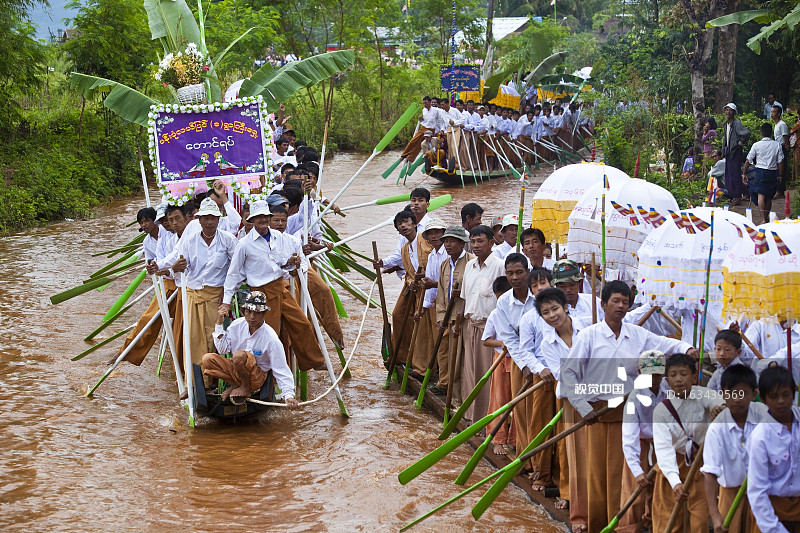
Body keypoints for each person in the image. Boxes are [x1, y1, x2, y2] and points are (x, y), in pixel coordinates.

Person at [562, 281, 698, 533]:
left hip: (627, 411)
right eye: (616, 301)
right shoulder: (589, 335)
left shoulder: (637, 335)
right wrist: (583, 407)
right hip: (596, 412)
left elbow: (666, 344)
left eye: (626, 302)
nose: (621, 306)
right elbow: (569, 373)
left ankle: (623, 524)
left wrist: (687, 348)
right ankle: (596, 523)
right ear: (603, 304)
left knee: (621, 475)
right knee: (595, 474)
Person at [220, 201, 325, 371]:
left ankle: (314, 361)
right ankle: (265, 375)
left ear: (269, 218)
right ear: (252, 220)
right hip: (261, 295)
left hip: (280, 288)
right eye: (258, 217)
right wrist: (226, 300)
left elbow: (283, 263)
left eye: (265, 216)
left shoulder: (279, 237)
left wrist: (292, 263)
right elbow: (233, 274)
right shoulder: (245, 243)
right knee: (270, 335)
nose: (262, 220)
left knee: (302, 324)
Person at [162, 198, 238, 386]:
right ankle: (196, 384)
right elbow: (178, 266)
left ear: (219, 220)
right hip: (193, 295)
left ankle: (217, 381)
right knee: (194, 341)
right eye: (206, 218)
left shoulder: (228, 240)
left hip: (216, 296)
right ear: (199, 220)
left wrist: (227, 298)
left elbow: (235, 270)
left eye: (213, 218)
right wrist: (174, 268)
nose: (210, 222)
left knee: (215, 339)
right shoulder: (189, 241)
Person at [534, 287, 594, 517]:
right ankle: (572, 496)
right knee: (572, 450)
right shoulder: (547, 344)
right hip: (572, 399)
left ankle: (597, 498)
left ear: (566, 308)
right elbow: (563, 374)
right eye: (546, 312)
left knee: (595, 450)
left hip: (599, 394)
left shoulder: (589, 326)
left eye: (555, 309)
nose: (552, 315)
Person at [651, 353, 725, 533]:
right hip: (673, 466)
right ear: (667, 380)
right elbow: (663, 449)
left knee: (699, 520)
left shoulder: (705, 395)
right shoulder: (662, 410)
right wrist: (675, 482)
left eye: (683, 374)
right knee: (669, 520)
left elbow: (720, 404)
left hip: (701, 466)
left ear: (694, 376)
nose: (679, 380)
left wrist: (719, 410)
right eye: (673, 375)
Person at [201, 291, 299, 406]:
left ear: (264, 313)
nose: (252, 317)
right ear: (244, 312)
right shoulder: (236, 325)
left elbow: (281, 369)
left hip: (256, 377)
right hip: (236, 371)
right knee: (207, 359)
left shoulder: (271, 338)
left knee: (239, 355)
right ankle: (236, 385)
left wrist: (288, 396)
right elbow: (223, 350)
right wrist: (219, 324)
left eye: (257, 313)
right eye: (249, 312)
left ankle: (246, 388)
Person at [270, 205, 344, 350]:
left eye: (283, 221)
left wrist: (297, 266)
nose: (280, 224)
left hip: (298, 276)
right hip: (276, 284)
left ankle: (333, 335)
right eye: (276, 220)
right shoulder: (259, 241)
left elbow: (303, 261)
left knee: (323, 292)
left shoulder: (292, 239)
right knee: (296, 318)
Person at [702, 364, 765, 533]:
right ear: (723, 394)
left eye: (743, 393)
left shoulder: (765, 416)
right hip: (730, 496)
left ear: (754, 394)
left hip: (762, 495)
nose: (737, 398)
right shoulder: (717, 428)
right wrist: (714, 515)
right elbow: (710, 472)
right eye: (732, 393)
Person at [375, 209, 433, 376]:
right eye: (400, 224)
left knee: (422, 325)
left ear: (415, 223)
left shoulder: (424, 239)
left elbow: (434, 259)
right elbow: (401, 261)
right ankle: (401, 356)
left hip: (428, 287)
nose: (404, 226)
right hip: (412, 285)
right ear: (397, 229)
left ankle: (422, 365)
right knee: (399, 315)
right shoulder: (405, 247)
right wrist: (383, 263)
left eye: (407, 222)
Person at [114, 207, 173, 365]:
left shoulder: (168, 232)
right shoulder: (147, 242)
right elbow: (150, 262)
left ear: (156, 220)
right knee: (149, 319)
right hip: (165, 281)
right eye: (141, 222)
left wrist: (158, 265)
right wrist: (151, 266)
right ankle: (126, 351)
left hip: (177, 281)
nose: (145, 225)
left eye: (147, 220)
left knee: (156, 320)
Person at [618, 350, 669, 533]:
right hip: (640, 446)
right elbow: (629, 436)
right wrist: (637, 470)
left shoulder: (668, 391)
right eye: (650, 374)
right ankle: (629, 528)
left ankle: (655, 525)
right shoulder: (634, 398)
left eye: (658, 374)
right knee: (635, 490)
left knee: (660, 491)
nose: (654, 378)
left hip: (663, 445)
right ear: (640, 372)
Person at [461, 225, 506, 421]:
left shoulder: (499, 266)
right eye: (473, 241)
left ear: (491, 242)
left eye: (480, 241)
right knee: (470, 373)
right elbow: (465, 298)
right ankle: (471, 414)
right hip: (470, 324)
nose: (476, 245)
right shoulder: (469, 266)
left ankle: (487, 418)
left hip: (490, 327)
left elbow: (504, 299)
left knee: (487, 375)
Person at [747, 365, 800, 532]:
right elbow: (757, 491)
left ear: (794, 393)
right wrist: (775, 529)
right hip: (772, 514)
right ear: (763, 399)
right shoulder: (760, 437)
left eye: (786, 395)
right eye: (774, 396)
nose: (781, 401)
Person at [431, 225, 474, 398]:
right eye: (446, 241)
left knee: (461, 359)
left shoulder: (471, 262)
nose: (448, 245)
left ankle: (460, 397)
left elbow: (473, 291)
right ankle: (448, 389)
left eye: (452, 241)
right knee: (445, 353)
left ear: (462, 244)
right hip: (447, 316)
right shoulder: (444, 264)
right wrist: (441, 317)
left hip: (463, 317)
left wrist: (462, 292)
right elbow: (441, 292)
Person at [483, 276, 514, 455]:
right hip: (501, 360)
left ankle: (517, 440)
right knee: (499, 400)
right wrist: (501, 343)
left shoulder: (523, 311)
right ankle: (498, 440)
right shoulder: (495, 314)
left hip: (519, 361)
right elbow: (486, 340)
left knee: (520, 403)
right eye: (499, 297)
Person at [415, 220, 448, 379]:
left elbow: (446, 282)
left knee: (444, 344)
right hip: (437, 303)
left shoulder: (447, 253)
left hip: (448, 303)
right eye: (431, 234)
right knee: (438, 343)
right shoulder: (432, 255)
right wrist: (422, 308)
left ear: (443, 233)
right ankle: (440, 377)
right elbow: (429, 284)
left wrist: (433, 284)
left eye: (437, 232)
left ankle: (444, 380)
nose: (434, 236)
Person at [743, 122, 783, 224]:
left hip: (760, 172)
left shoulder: (756, 145)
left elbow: (748, 160)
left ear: (761, 133)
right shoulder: (777, 145)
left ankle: (763, 219)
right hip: (772, 172)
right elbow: (780, 161)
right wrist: (780, 175)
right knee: (769, 197)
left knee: (761, 195)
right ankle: (766, 217)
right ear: (771, 133)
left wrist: (744, 173)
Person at [721, 103, 751, 205]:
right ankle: (731, 194)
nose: (728, 112)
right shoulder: (726, 124)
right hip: (728, 152)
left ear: (734, 112)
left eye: (730, 110)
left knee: (735, 174)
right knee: (729, 173)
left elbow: (746, 133)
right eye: (726, 110)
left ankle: (737, 196)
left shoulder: (737, 123)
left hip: (736, 152)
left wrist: (739, 144)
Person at [772, 104, 790, 197]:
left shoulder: (782, 124)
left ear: (778, 114)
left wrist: (787, 148)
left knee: (782, 169)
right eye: (771, 112)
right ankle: (779, 190)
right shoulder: (776, 124)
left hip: (782, 148)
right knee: (778, 169)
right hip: (777, 148)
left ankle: (780, 190)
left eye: (774, 112)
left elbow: (785, 137)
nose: (771, 114)